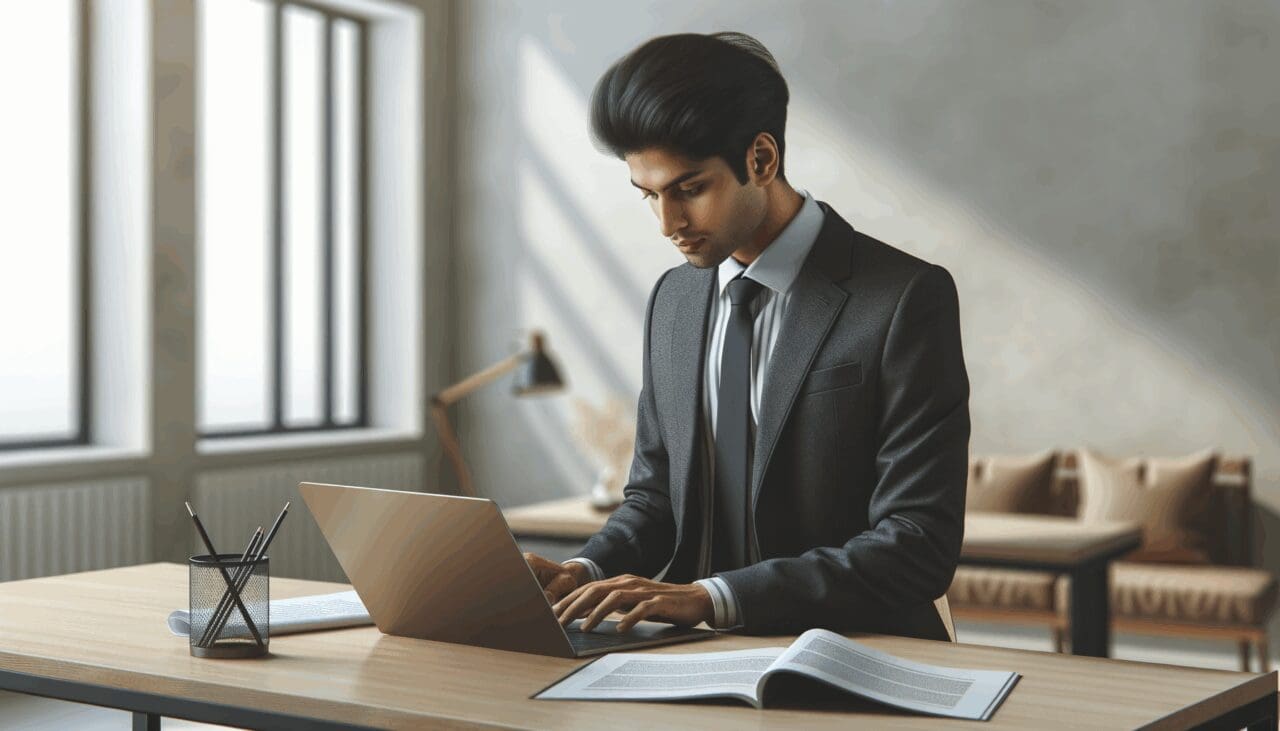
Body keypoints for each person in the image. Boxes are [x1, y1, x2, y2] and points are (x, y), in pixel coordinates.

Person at [523, 31, 969, 641]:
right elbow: (655, 500)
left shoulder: (904, 299)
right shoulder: (673, 301)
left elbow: (917, 544)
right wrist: (583, 570)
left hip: (852, 652)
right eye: (649, 195)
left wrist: (713, 597)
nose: (668, 224)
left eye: (689, 189)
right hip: (685, 656)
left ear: (761, 159)